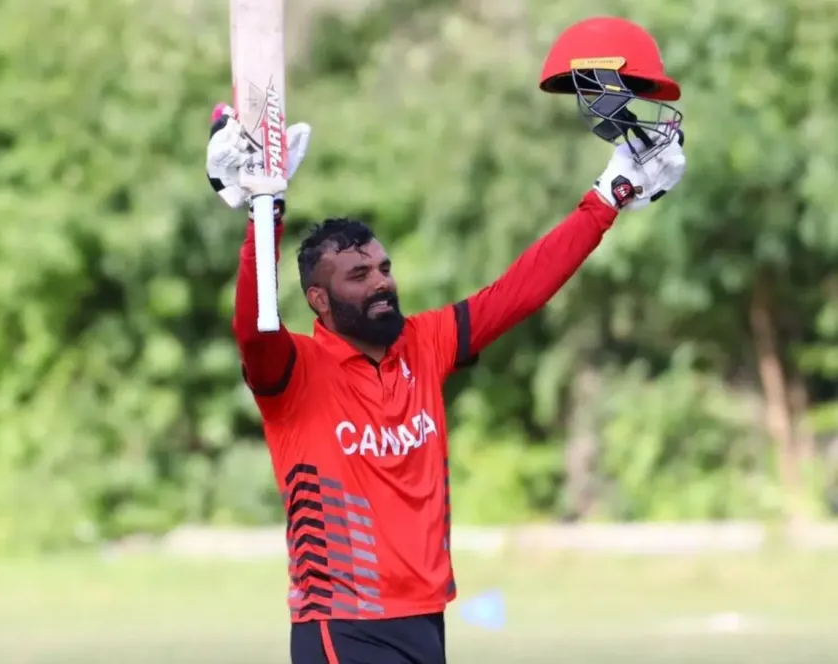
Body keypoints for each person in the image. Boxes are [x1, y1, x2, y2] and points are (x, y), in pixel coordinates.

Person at [204, 26, 685, 659]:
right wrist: (262, 211)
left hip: (426, 618)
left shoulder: (423, 343)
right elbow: (252, 326)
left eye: (383, 268)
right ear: (319, 300)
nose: (381, 282)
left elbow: (520, 292)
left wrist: (607, 197)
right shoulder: (294, 372)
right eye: (358, 276)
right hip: (341, 623)